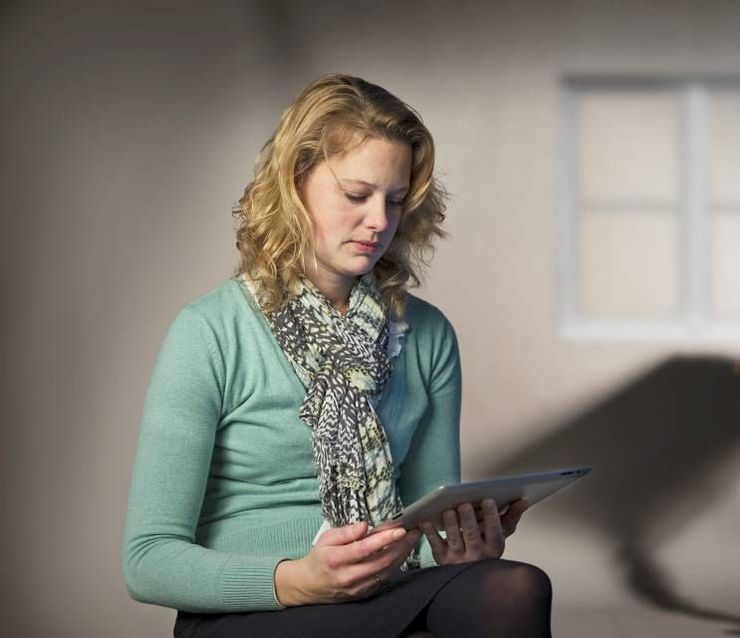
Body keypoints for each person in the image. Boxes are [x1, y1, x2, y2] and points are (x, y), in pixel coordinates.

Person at [122, 73, 552, 638]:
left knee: (514, 586)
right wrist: (297, 581)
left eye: (394, 201)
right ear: (294, 184)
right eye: (356, 195)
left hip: (380, 590)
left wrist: (453, 551)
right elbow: (147, 559)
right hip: (254, 605)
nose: (379, 221)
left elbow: (417, 527)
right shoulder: (209, 331)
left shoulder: (427, 336)